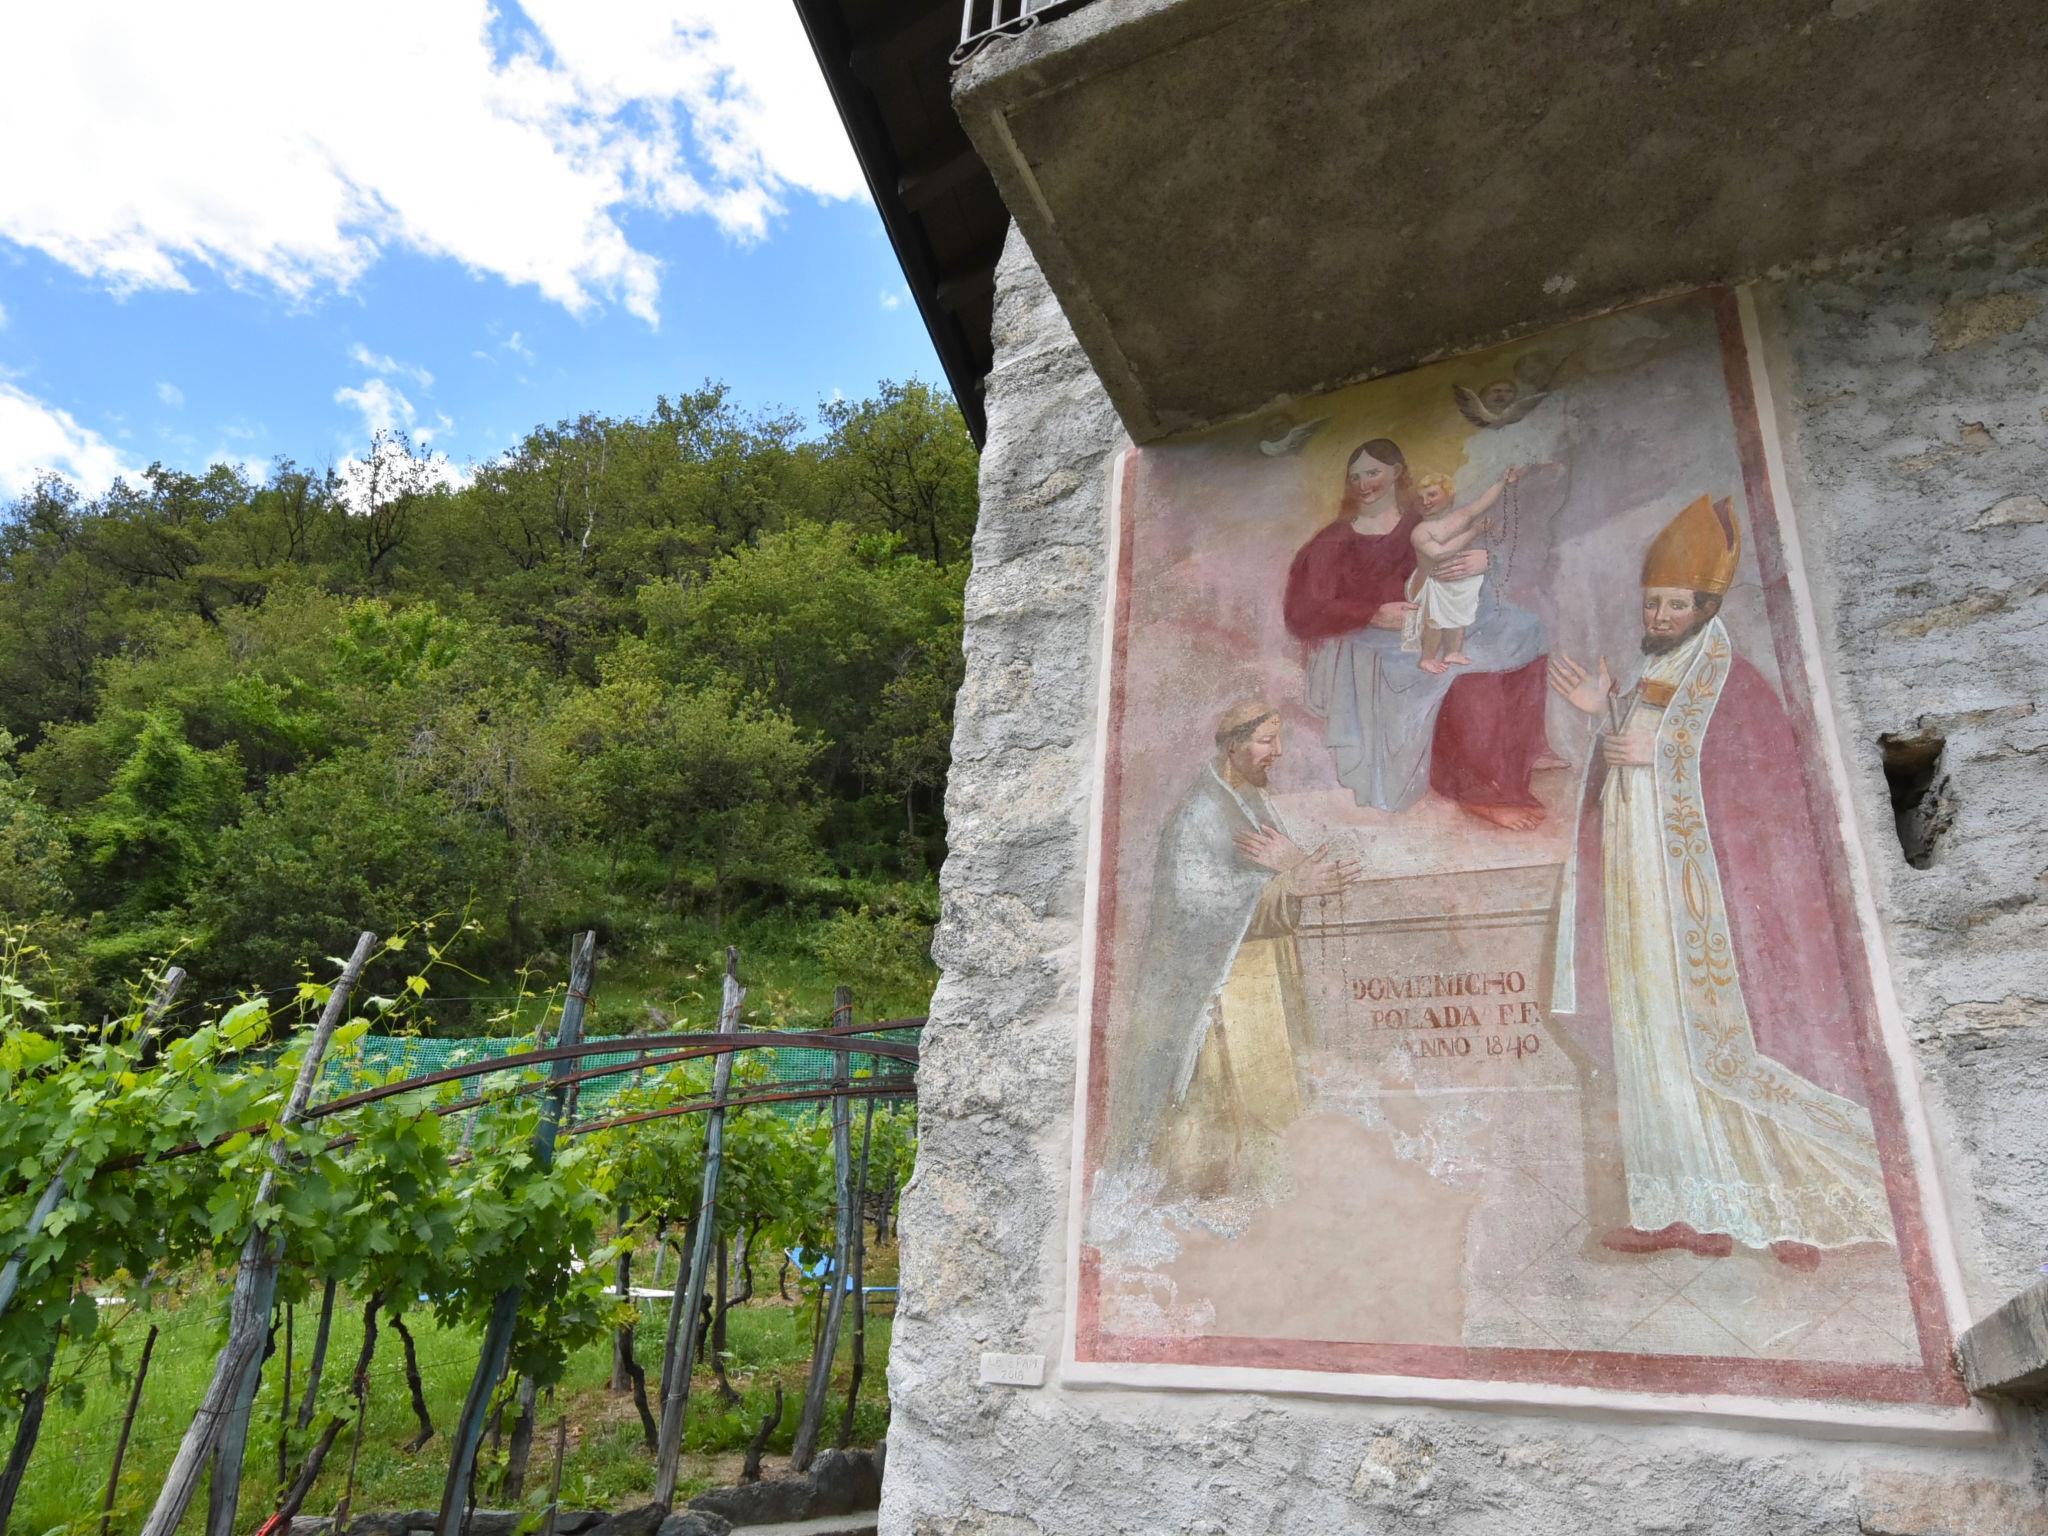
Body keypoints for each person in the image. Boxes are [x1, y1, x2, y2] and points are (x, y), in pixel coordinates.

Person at [1546, 495, 1896, 1269]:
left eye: (1675, 603)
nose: (1663, 614)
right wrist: (1603, 716)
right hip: (1642, 909)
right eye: (1653, 604)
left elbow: (1761, 786)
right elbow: (1627, 775)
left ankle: (1791, 1206)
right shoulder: (1652, 676)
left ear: (1705, 605)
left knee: (1719, 1054)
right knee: (1651, 1053)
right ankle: (1675, 1207)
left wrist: (1661, 757)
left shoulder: (1736, 685)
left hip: (1706, 920)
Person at [1105, 700, 1360, 1196]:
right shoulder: (1200, 812)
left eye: (1278, 739)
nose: (1278, 752)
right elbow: (1196, 904)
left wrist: (1297, 873)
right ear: (1232, 746)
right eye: (1267, 741)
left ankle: (1270, 1202)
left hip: (1265, 980)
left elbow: (1280, 873)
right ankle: (1210, 1203)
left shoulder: (1249, 800)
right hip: (1224, 988)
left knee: (1273, 1097)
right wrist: (1293, 882)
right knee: (1225, 1100)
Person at [1283, 439, 1552, 829]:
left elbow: (1457, 564)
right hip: (1374, 640)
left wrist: (1483, 560)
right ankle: (1479, 791)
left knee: (1525, 631)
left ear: (1396, 473)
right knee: (1464, 678)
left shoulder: (1419, 524)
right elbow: (1301, 611)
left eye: (1373, 472)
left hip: (1433, 621)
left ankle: (1516, 763)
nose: (1364, 483)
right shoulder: (1334, 540)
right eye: (1355, 476)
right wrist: (1371, 614)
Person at [1406, 469, 1520, 674]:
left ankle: (1452, 651)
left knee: (1457, 618)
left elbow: (1484, 502)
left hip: (1455, 582)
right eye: (1420, 498)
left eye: (1432, 494)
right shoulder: (1421, 531)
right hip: (1430, 582)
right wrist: (1474, 531)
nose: (1426, 501)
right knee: (1435, 622)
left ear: (1448, 494)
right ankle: (1427, 657)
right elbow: (1440, 553)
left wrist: (1503, 479)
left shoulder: (1461, 515)